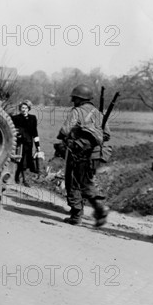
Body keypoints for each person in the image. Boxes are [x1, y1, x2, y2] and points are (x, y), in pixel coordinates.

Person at [57, 84, 111, 227]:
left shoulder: (77, 111)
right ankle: (98, 210)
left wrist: (72, 139)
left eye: (75, 99)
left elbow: (64, 131)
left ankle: (78, 215)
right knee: (86, 182)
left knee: (74, 183)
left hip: (79, 154)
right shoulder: (99, 113)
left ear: (80, 99)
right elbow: (107, 135)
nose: (73, 101)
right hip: (96, 155)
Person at [12, 100, 41, 187]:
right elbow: (13, 130)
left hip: (29, 143)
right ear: (20, 109)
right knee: (21, 161)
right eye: (22, 108)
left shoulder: (33, 118)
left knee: (27, 161)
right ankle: (23, 180)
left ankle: (18, 177)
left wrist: (38, 146)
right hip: (19, 143)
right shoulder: (16, 118)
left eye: (25, 108)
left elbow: (35, 132)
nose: (23, 109)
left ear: (28, 109)